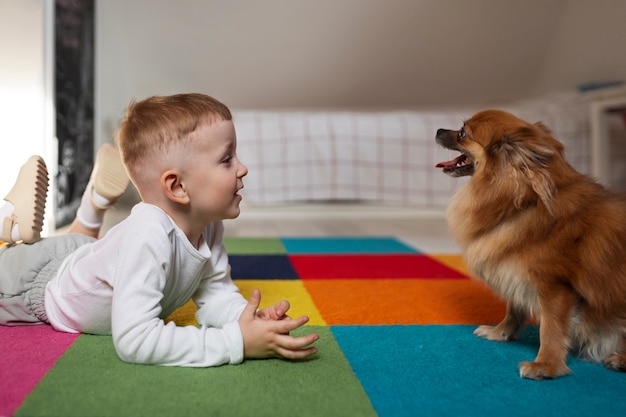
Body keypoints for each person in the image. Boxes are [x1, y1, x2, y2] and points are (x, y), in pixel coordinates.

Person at [0, 93, 319, 367]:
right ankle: (9, 219)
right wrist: (235, 342)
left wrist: (246, 320)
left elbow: (216, 295)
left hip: (84, 256)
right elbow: (134, 339)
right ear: (177, 186)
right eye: (226, 159)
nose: (242, 168)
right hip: (36, 285)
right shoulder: (149, 237)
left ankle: (92, 203)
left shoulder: (207, 226)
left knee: (84, 246)